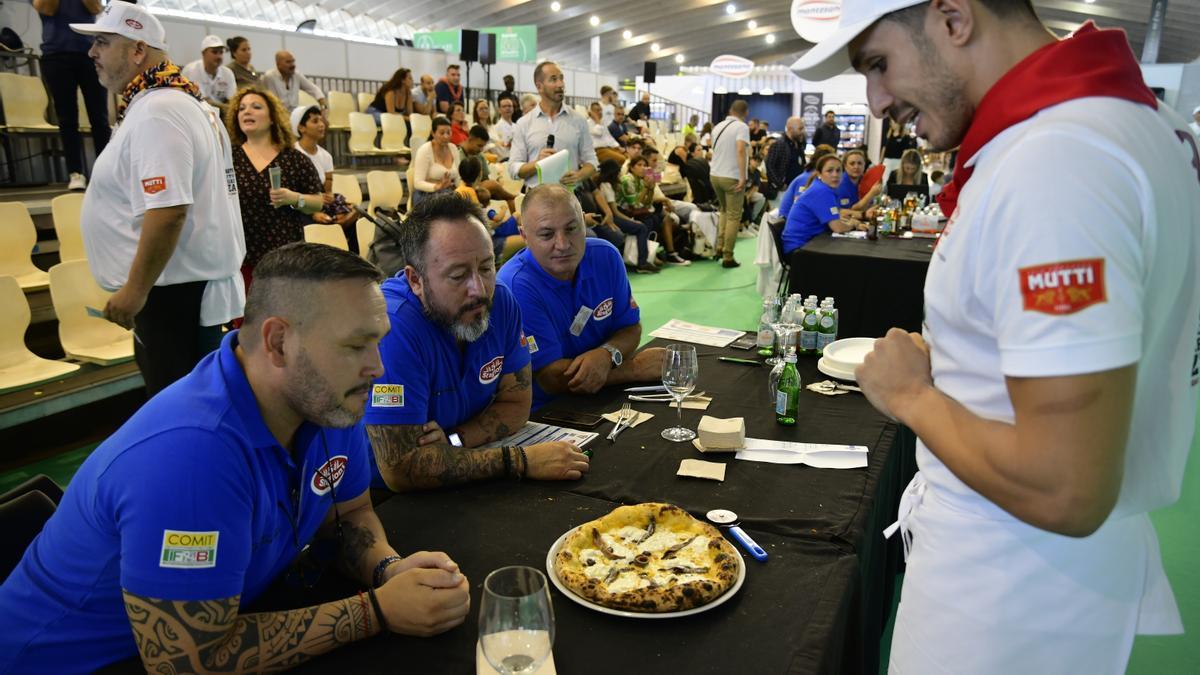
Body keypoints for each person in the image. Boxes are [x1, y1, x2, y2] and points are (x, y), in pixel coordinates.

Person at [793, 1, 1200, 673]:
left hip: (1008, 590)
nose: (874, 99)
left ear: (954, 18)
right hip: (1044, 581)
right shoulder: (1138, 125)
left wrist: (914, 396)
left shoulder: (1056, 161)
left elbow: (1064, 483)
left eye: (878, 63)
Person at [0, 243, 471, 673]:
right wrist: (378, 610)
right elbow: (187, 661)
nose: (379, 367)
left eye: (378, 341)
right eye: (354, 346)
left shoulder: (330, 400)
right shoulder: (191, 456)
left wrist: (387, 570)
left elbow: (348, 513)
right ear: (278, 343)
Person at [70, 3, 245, 396]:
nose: (91, 53)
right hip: (176, 291)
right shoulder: (173, 103)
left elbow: (168, 211)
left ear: (137, 51)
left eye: (102, 42)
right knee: (193, 405)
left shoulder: (159, 110)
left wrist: (135, 290)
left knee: (181, 409)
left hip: (169, 297)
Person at [363, 194, 588, 491]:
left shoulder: (501, 302)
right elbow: (401, 469)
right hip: (388, 502)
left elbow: (518, 404)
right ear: (415, 280)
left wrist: (454, 441)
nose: (479, 290)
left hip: (465, 469)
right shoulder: (392, 329)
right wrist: (517, 461)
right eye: (458, 276)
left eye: (486, 267)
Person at [497, 185, 665, 409]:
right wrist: (634, 368)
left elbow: (630, 328)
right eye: (547, 234)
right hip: (551, 409)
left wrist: (606, 354)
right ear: (524, 236)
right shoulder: (515, 286)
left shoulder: (606, 257)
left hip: (608, 392)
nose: (563, 244)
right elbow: (550, 378)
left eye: (572, 229)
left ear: (584, 224)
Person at [227, 87, 324, 286]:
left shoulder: (294, 158)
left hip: (285, 257)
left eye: (256, 107)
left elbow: (318, 203)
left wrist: (294, 198)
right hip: (240, 256)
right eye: (242, 108)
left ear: (272, 118)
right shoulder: (228, 157)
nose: (247, 111)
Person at [35, 0, 111, 191]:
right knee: (67, 118)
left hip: (89, 53)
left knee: (99, 117)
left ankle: (106, 172)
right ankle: (75, 173)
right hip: (56, 55)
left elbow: (96, 8)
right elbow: (46, 8)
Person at [508, 61, 598, 189]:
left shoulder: (578, 120)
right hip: (536, 198)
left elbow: (592, 161)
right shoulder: (524, 123)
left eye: (561, 79)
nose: (560, 84)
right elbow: (513, 169)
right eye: (553, 79)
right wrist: (537, 164)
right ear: (539, 87)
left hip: (569, 197)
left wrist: (579, 175)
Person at [781, 155, 864, 255]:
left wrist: (849, 221)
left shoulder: (823, 188)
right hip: (799, 250)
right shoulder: (821, 191)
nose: (835, 175)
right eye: (830, 171)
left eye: (838, 170)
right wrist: (853, 225)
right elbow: (837, 227)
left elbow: (833, 219)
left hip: (806, 245)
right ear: (819, 173)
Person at [585, 158, 654, 272]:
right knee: (641, 227)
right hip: (607, 217)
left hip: (608, 215)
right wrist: (631, 220)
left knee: (647, 221)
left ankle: (642, 259)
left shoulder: (603, 184)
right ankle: (642, 262)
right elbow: (614, 212)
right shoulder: (606, 185)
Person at [455, 157, 524, 262]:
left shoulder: (459, 190)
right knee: (529, 240)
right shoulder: (470, 194)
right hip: (485, 244)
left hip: (478, 240)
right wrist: (501, 219)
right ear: (480, 174)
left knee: (517, 218)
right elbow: (483, 226)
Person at [709, 99, 750, 268]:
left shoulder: (717, 126)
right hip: (731, 175)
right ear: (745, 113)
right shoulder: (742, 127)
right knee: (734, 215)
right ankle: (728, 255)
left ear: (730, 110)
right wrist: (742, 176)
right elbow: (740, 150)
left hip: (715, 174)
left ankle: (719, 248)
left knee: (724, 211)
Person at [412, 115, 460, 207]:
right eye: (442, 133)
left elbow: (458, 178)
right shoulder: (424, 150)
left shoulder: (453, 148)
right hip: (426, 195)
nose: (446, 136)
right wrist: (437, 187)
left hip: (448, 193)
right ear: (433, 133)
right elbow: (417, 183)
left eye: (448, 132)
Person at [181, 34, 236, 113]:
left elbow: (232, 101)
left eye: (221, 52)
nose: (219, 56)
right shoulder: (192, 70)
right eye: (214, 52)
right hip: (195, 111)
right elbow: (203, 101)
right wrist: (226, 108)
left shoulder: (227, 73)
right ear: (203, 53)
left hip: (220, 114)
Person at [261, 50, 326, 111]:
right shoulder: (269, 77)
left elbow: (314, 90)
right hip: (277, 115)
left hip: (294, 115)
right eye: (288, 62)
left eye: (293, 61)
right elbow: (274, 104)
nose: (293, 65)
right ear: (278, 65)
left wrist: (323, 106)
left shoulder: (296, 75)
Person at [765, 116, 806, 197]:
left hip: (798, 189)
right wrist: (780, 184)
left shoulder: (799, 144)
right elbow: (769, 165)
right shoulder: (779, 144)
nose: (802, 132)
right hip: (783, 191)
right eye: (800, 129)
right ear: (790, 129)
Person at [836, 148, 880, 213]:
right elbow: (851, 211)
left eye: (860, 163)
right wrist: (871, 194)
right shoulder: (840, 184)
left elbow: (869, 205)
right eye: (852, 163)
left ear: (864, 165)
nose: (856, 167)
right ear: (845, 166)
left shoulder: (865, 180)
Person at [491, 96, 517, 160]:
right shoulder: (495, 128)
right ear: (499, 110)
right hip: (505, 159)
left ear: (513, 109)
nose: (507, 108)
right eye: (504, 106)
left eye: (510, 106)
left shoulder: (517, 126)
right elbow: (496, 148)